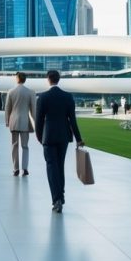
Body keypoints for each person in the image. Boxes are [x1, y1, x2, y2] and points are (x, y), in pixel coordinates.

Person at [35, 70, 84, 213]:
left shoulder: (43, 97)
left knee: (51, 167)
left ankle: (56, 200)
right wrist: (78, 139)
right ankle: (61, 197)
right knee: (60, 166)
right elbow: (72, 120)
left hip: (48, 137)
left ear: (48, 79)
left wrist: (39, 137)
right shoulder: (68, 97)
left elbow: (38, 121)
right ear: (58, 79)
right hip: (63, 137)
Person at [4, 72, 36, 176]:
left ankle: (16, 168)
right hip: (24, 122)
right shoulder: (30, 92)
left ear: (17, 78)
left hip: (13, 121)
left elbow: (7, 108)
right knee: (25, 146)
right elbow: (33, 110)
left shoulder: (11, 91)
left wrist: (7, 121)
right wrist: (36, 122)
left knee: (14, 145)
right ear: (25, 79)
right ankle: (25, 168)